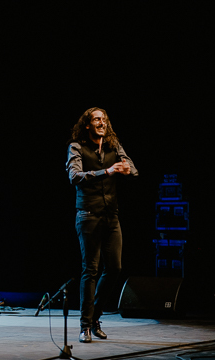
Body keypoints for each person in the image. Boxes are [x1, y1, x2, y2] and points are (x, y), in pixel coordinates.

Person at [66, 107, 139, 343]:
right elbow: (74, 176)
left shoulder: (112, 144)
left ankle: (95, 315)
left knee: (115, 268)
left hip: (111, 215)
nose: (102, 123)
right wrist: (105, 171)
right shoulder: (77, 146)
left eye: (104, 120)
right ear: (88, 124)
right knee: (91, 270)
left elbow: (132, 167)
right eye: (97, 120)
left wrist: (127, 168)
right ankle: (85, 325)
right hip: (88, 215)